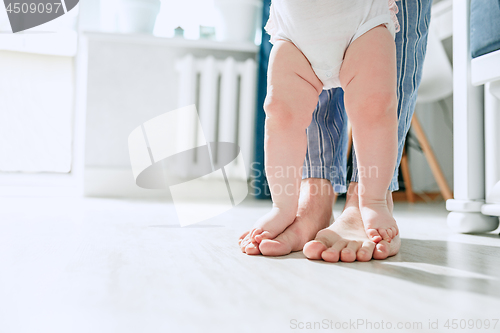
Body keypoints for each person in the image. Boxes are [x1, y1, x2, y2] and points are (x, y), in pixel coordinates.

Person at [240, 0, 433, 262]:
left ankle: (372, 200)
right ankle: (285, 207)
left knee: (374, 107)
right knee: (281, 112)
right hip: (296, 27)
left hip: (363, 19)